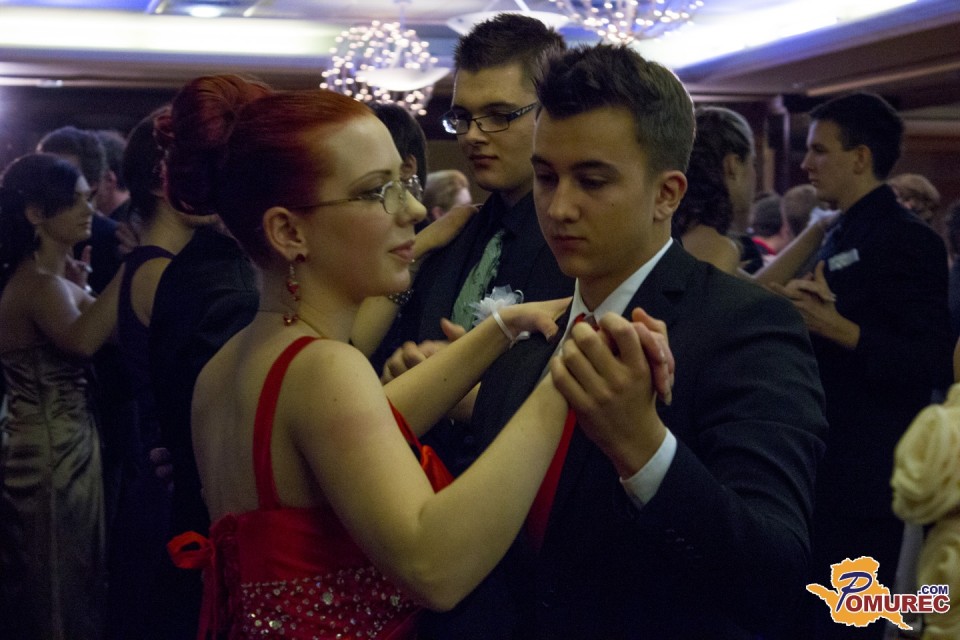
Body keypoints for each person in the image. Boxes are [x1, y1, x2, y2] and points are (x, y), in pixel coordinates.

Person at [421, 43, 829, 640]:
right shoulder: (528, 328)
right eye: (545, 177)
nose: (559, 208)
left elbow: (775, 573)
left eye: (592, 181)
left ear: (667, 194)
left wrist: (642, 445)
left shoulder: (746, 325)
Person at [159, 74, 587, 639]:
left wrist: (499, 330)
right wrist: (563, 384)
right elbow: (436, 569)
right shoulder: (322, 367)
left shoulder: (231, 365)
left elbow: (366, 425)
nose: (413, 209)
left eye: (404, 183)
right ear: (289, 232)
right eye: (376, 192)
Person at [767, 92, 953, 640]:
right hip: (821, 460)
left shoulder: (908, 239)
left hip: (866, 472)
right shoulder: (840, 231)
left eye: (819, 150)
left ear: (860, 157)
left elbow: (927, 360)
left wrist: (838, 329)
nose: (806, 164)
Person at [370, 13, 574, 474]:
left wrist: (464, 391)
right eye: (462, 117)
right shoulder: (454, 234)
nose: (473, 135)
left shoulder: (580, 245)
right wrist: (403, 367)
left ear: (552, 113)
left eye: (499, 116)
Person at [0, 153, 123, 640]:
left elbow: (107, 330)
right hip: (49, 452)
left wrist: (86, 287)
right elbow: (85, 341)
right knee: (57, 584)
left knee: (70, 578)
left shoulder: (53, 282)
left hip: (61, 443)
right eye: (73, 201)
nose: (88, 209)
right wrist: (134, 267)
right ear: (35, 213)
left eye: (88, 198)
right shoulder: (38, 285)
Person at [107, 107, 207, 640]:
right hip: (165, 480)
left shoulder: (146, 263)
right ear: (163, 181)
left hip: (152, 471)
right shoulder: (163, 272)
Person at [670, 106, 761, 274]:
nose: (755, 175)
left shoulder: (671, 233)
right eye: (752, 163)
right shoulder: (716, 249)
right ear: (732, 165)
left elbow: (761, 286)